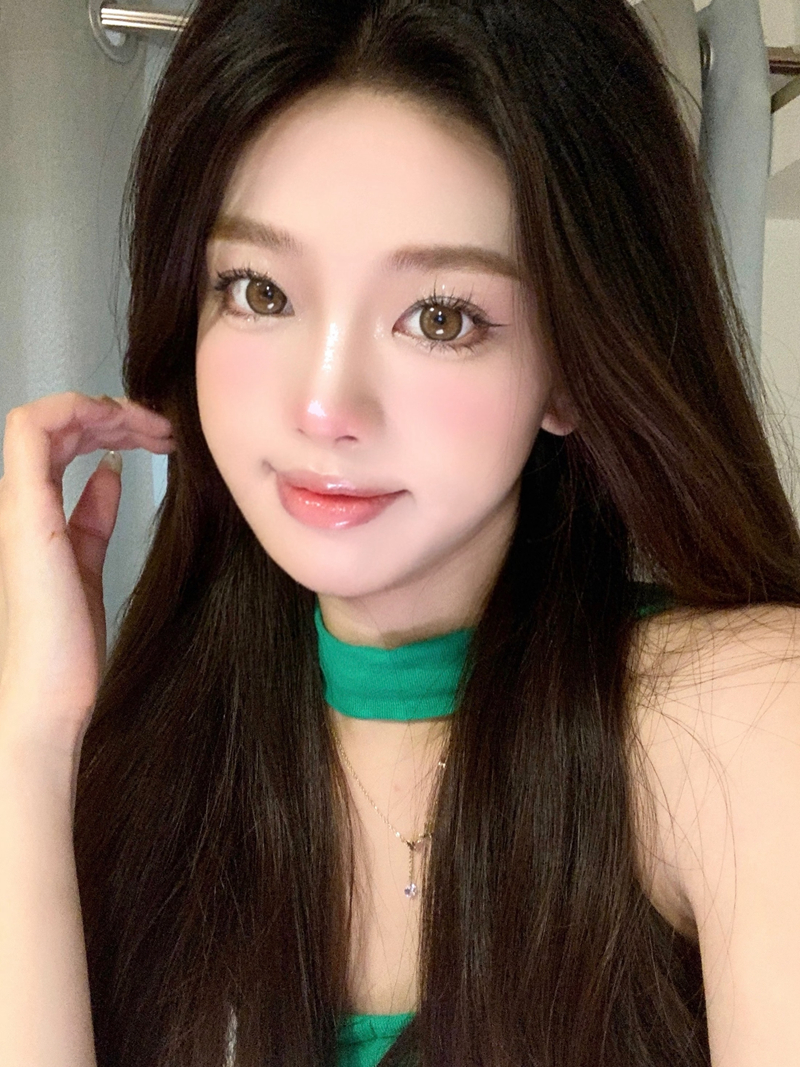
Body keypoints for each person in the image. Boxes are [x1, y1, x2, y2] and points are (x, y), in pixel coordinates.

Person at [2, 1, 800, 1065]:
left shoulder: (742, 719)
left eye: (439, 316)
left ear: (572, 364)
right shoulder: (164, 756)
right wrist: (32, 737)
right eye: (259, 291)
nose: (324, 406)